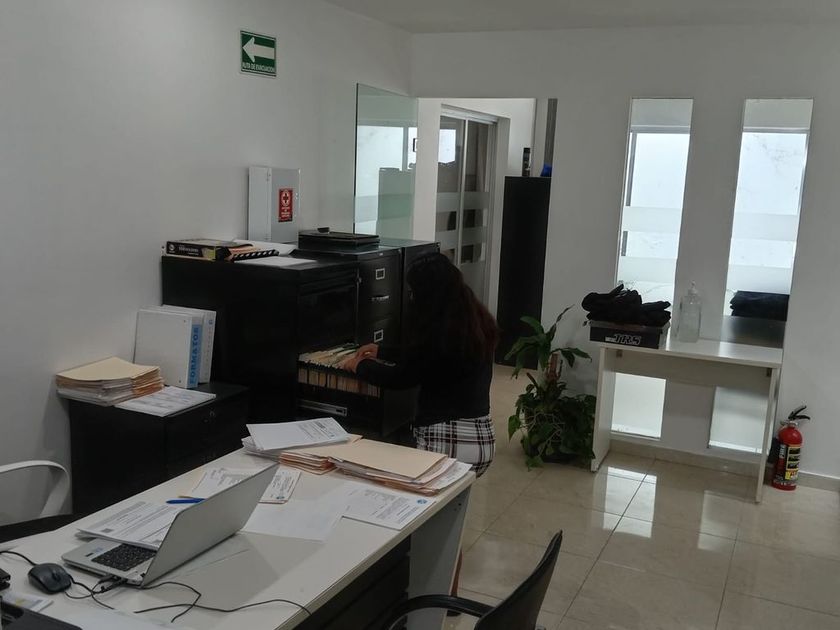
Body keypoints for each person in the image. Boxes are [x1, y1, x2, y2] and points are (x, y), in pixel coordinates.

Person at [342, 252, 499, 477]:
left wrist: (360, 366)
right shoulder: (473, 320)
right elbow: (426, 358)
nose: (412, 298)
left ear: (428, 294)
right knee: (454, 497)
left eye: (414, 292)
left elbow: (402, 377)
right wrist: (383, 351)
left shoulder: (439, 332)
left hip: (446, 441)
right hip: (481, 439)